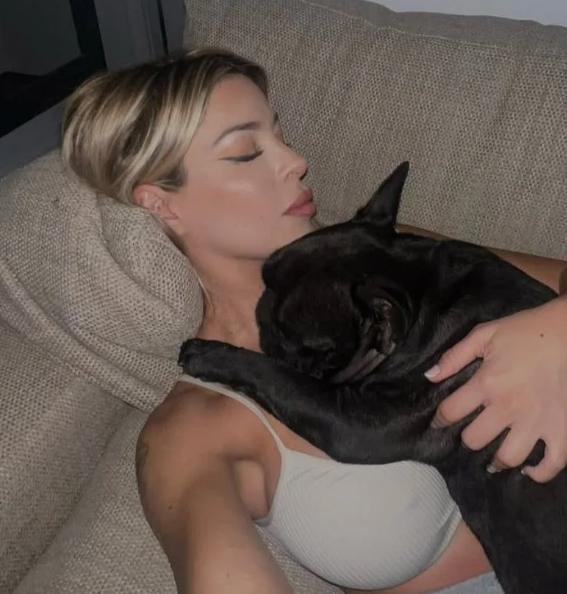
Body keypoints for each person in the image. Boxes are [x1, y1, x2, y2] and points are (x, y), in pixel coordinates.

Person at [61, 48, 567, 594]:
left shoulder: (378, 251)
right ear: (162, 204)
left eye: (280, 133)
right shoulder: (193, 430)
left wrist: (556, 333)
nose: (296, 160)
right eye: (245, 152)